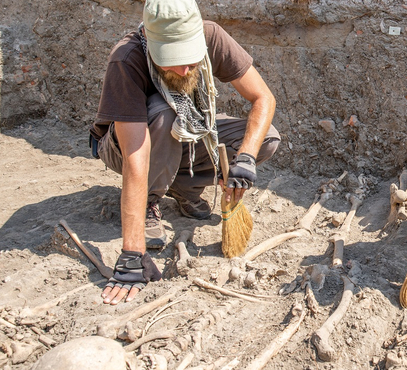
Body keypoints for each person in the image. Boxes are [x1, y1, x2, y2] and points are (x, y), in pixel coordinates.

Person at [89, 0, 281, 305]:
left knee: (265, 138)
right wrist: (131, 254)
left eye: (190, 58)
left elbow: (263, 98)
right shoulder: (126, 60)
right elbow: (136, 161)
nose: (185, 69)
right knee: (165, 112)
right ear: (152, 44)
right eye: (173, 60)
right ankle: (150, 200)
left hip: (185, 128)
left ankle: (184, 189)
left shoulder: (212, 37)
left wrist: (244, 158)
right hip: (125, 145)